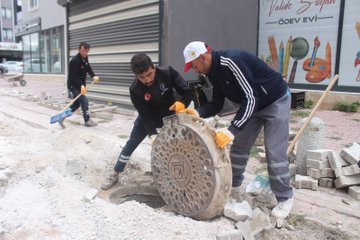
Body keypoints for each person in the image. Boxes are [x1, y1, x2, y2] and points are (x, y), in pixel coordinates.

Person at [180, 41, 294, 220]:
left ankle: (285, 197)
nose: (195, 70)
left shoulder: (230, 60)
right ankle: (234, 187)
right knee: (240, 146)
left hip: (275, 100)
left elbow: (251, 96)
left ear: (202, 57)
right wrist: (198, 112)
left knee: (274, 151)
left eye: (194, 65)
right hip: (254, 104)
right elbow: (217, 102)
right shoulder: (213, 72)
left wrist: (232, 129)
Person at [101, 53, 193, 190]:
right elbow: (144, 114)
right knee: (132, 143)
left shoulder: (168, 73)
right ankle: (115, 172)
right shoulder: (135, 90)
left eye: (149, 74)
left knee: (176, 146)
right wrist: (152, 134)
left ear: (153, 67)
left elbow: (187, 92)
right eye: (142, 77)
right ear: (136, 76)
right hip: (148, 117)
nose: (147, 79)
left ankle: (179, 178)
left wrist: (181, 103)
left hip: (170, 114)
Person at [65, 42, 98, 127]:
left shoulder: (85, 58)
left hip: (80, 85)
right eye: (83, 51)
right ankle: (87, 121)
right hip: (73, 85)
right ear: (79, 49)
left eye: (86, 51)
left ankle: (63, 116)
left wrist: (93, 76)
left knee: (76, 104)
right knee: (84, 101)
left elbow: (88, 68)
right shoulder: (74, 61)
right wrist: (81, 85)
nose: (85, 53)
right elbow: (73, 77)